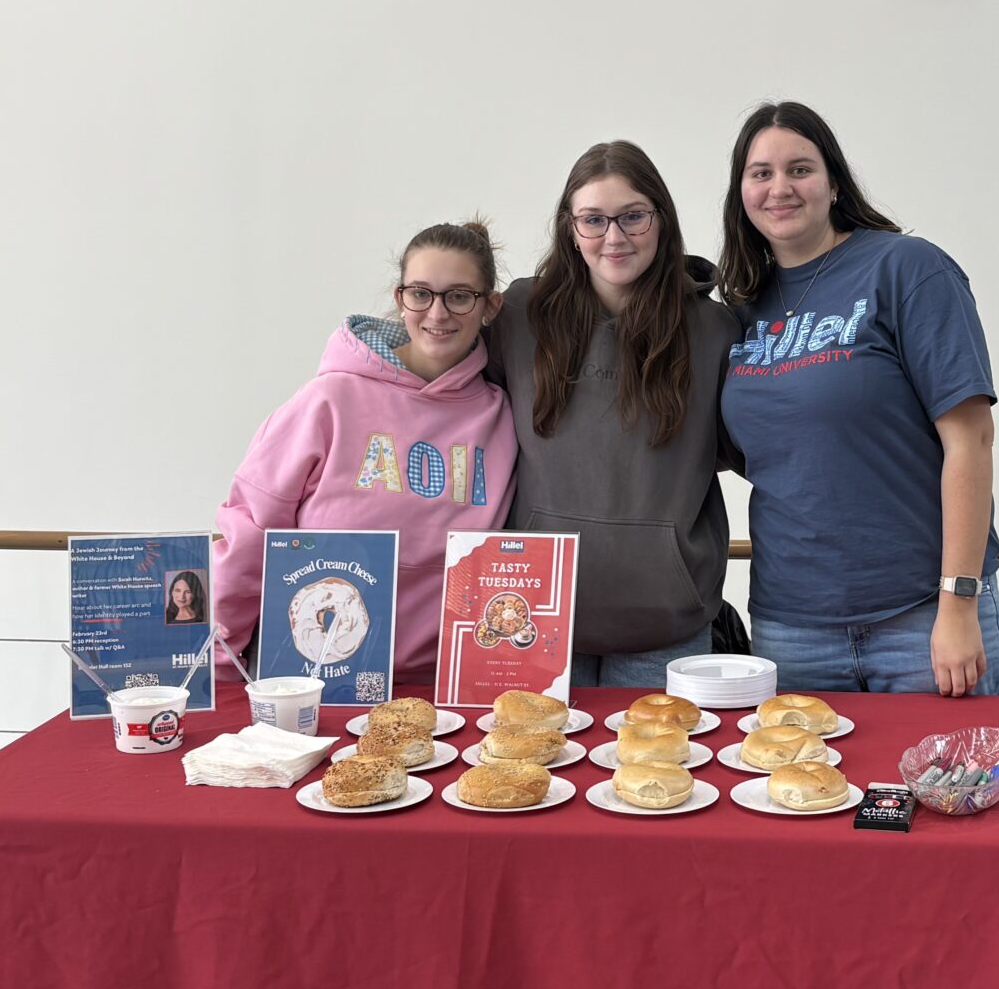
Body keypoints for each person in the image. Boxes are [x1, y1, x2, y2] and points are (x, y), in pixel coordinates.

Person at [716, 101, 999, 698]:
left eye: (800, 168)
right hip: (789, 623)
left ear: (834, 181)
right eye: (760, 173)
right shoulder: (743, 307)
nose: (780, 188)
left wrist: (959, 602)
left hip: (921, 614)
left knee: (944, 792)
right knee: (800, 794)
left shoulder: (905, 269)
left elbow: (971, 440)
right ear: (740, 191)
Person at [213, 219, 517, 687]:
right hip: (314, 681)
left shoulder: (501, 418)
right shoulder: (328, 402)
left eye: (459, 296)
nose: (437, 314)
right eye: (421, 293)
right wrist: (218, 663)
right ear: (400, 298)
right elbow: (248, 534)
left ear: (490, 306)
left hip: (445, 686)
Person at [484, 140, 740, 687]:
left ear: (662, 220)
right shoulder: (518, 316)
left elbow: (749, 445)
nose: (614, 237)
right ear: (570, 228)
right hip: (531, 614)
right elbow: (448, 398)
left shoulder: (715, 329)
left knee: (657, 772)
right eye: (594, 219)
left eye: (633, 217)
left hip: (665, 617)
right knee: (531, 772)